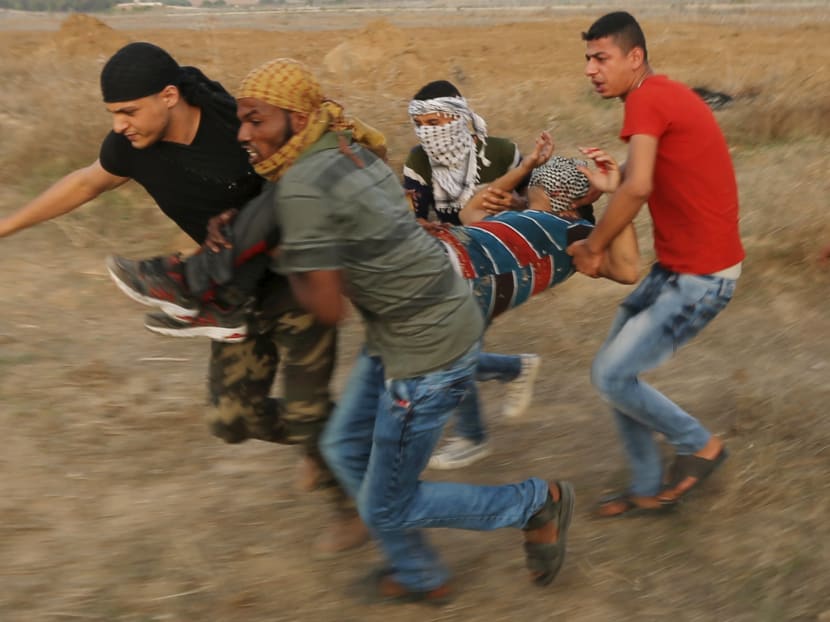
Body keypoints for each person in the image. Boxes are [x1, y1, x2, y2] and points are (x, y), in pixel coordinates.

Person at [112, 57, 578, 604]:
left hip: (426, 353)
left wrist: (277, 259)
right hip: (410, 327)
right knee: (340, 444)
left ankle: (534, 503)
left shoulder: (307, 185)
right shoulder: (343, 145)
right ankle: (420, 573)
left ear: (293, 117)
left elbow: (329, 309)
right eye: (240, 120)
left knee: (387, 503)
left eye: (256, 120)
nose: (243, 133)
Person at [0, 42, 366, 554]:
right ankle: (326, 437)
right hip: (231, 295)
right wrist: (7, 226)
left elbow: (306, 170)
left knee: (307, 408)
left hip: (297, 282)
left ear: (169, 96)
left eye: (128, 111)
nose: (120, 125)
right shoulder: (131, 147)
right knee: (232, 419)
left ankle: (347, 499)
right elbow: (87, 181)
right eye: (113, 115)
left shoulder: (233, 124)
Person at [568, 11, 744, 517]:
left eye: (601, 58)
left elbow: (641, 187)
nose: (590, 70)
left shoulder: (646, 99)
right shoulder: (660, 94)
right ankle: (647, 487)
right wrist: (613, 182)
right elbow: (643, 174)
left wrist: (595, 246)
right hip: (678, 270)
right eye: (588, 59)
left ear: (634, 57)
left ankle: (699, 445)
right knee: (614, 375)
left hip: (702, 278)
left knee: (610, 376)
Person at [404, 80, 540, 470]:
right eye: (422, 124)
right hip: (449, 260)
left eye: (438, 121)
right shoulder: (419, 161)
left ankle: (473, 435)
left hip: (501, 259)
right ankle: (515, 368)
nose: (430, 131)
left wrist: (515, 201)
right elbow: (414, 212)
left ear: (459, 117)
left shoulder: (501, 152)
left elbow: (538, 203)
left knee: (450, 347)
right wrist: (417, 225)